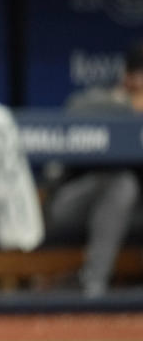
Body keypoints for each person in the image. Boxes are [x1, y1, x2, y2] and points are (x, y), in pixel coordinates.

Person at [45, 41, 143, 297]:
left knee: (125, 189)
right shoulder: (98, 100)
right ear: (129, 77)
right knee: (122, 183)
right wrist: (129, 108)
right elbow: (73, 110)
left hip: (127, 215)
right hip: (73, 205)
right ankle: (93, 287)